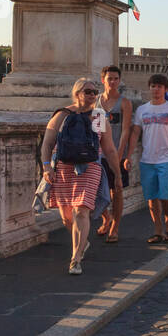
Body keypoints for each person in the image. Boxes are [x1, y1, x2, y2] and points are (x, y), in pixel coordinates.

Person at [40, 77, 123, 275]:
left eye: (95, 92)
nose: (93, 95)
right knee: (66, 218)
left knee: (81, 211)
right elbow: (47, 143)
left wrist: (117, 174)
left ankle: (75, 259)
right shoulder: (63, 115)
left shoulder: (98, 117)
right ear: (77, 94)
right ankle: (82, 243)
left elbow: (109, 149)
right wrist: (46, 167)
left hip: (90, 167)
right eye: (88, 92)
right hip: (64, 167)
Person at [124, 74, 168, 244]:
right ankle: (157, 229)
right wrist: (128, 156)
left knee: (165, 194)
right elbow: (135, 133)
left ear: (165, 89)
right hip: (147, 160)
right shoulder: (142, 110)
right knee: (151, 198)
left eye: (159, 86)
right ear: (149, 88)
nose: (156, 89)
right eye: (153, 86)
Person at [94, 65, 132, 243]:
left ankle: (115, 227)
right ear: (103, 80)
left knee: (117, 191)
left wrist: (119, 153)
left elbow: (126, 130)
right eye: (110, 78)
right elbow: (94, 129)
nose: (113, 82)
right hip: (98, 155)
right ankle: (105, 218)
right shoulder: (96, 102)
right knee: (95, 191)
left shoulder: (124, 103)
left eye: (116, 78)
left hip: (117, 153)